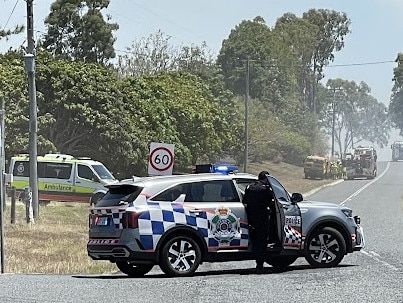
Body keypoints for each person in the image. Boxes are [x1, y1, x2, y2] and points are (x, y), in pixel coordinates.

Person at [242, 170, 276, 274]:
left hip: (250, 218)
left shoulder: (249, 187)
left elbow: (245, 201)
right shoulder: (265, 189)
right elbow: (271, 202)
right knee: (261, 242)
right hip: (262, 219)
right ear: (266, 179)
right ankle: (260, 265)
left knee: (255, 241)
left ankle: (257, 260)